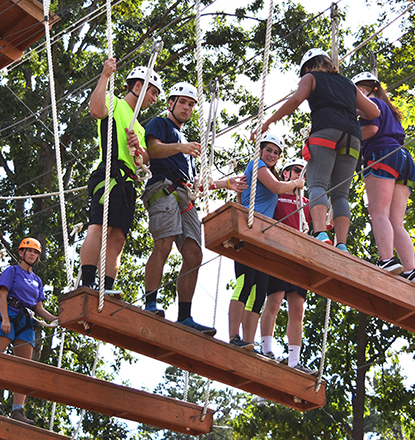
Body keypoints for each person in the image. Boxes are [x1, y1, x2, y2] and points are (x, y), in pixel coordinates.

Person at [142, 82, 243, 335]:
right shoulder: (161, 124)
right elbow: (152, 150)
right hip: (163, 187)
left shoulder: (187, 145)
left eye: (191, 104)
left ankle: (185, 316)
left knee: (194, 254)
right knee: (163, 243)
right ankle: (150, 302)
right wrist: (181, 147)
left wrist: (226, 183)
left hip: (184, 194)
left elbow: (196, 183)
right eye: (183, 102)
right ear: (171, 103)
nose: (187, 107)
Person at [253, 48, 380, 251]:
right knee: (341, 195)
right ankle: (342, 245)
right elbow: (374, 111)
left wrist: (268, 122)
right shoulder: (348, 84)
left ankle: (320, 232)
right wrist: (348, 107)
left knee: (317, 184)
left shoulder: (311, 77)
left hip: (326, 131)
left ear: (308, 67)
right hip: (353, 138)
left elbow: (296, 100)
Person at [80, 60, 161, 295]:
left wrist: (140, 150)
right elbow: (95, 110)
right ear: (137, 86)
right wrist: (105, 76)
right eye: (152, 92)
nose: (154, 99)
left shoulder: (141, 128)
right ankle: (87, 281)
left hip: (127, 182)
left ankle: (107, 287)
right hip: (109, 173)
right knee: (99, 226)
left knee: (118, 237)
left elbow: (144, 162)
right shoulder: (113, 103)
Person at [229, 135, 305, 349]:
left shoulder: (267, 172)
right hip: (249, 231)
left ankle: (247, 341)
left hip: (263, 236)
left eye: (276, 152)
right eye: (268, 150)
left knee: (259, 290)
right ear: (261, 151)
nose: (271, 155)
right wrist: (296, 182)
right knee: (244, 284)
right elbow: (276, 188)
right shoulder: (257, 164)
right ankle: (234, 335)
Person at [242, 158, 316, 374]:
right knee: (273, 302)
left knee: (297, 309)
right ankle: (266, 349)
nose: (299, 175)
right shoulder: (277, 194)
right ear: (285, 174)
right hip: (279, 253)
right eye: (295, 171)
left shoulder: (309, 202)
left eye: (303, 172)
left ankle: (294, 360)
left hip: (299, 257)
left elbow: (320, 224)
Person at [352, 72, 415, 278]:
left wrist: (347, 138)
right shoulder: (389, 108)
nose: (357, 96)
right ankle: (411, 270)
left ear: (371, 88)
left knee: (378, 212)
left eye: (359, 89)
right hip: (404, 159)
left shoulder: (370, 104)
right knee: (396, 221)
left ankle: (386, 260)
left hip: (382, 154)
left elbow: (371, 129)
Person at [0, 238, 58, 425]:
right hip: (8, 313)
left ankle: (17, 411)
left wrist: (58, 320)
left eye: (35, 252)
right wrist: (5, 319)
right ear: (21, 253)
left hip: (26, 322)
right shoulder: (12, 271)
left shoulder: (37, 281)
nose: (32, 254)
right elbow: (2, 294)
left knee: (25, 368)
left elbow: (39, 308)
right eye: (29, 251)